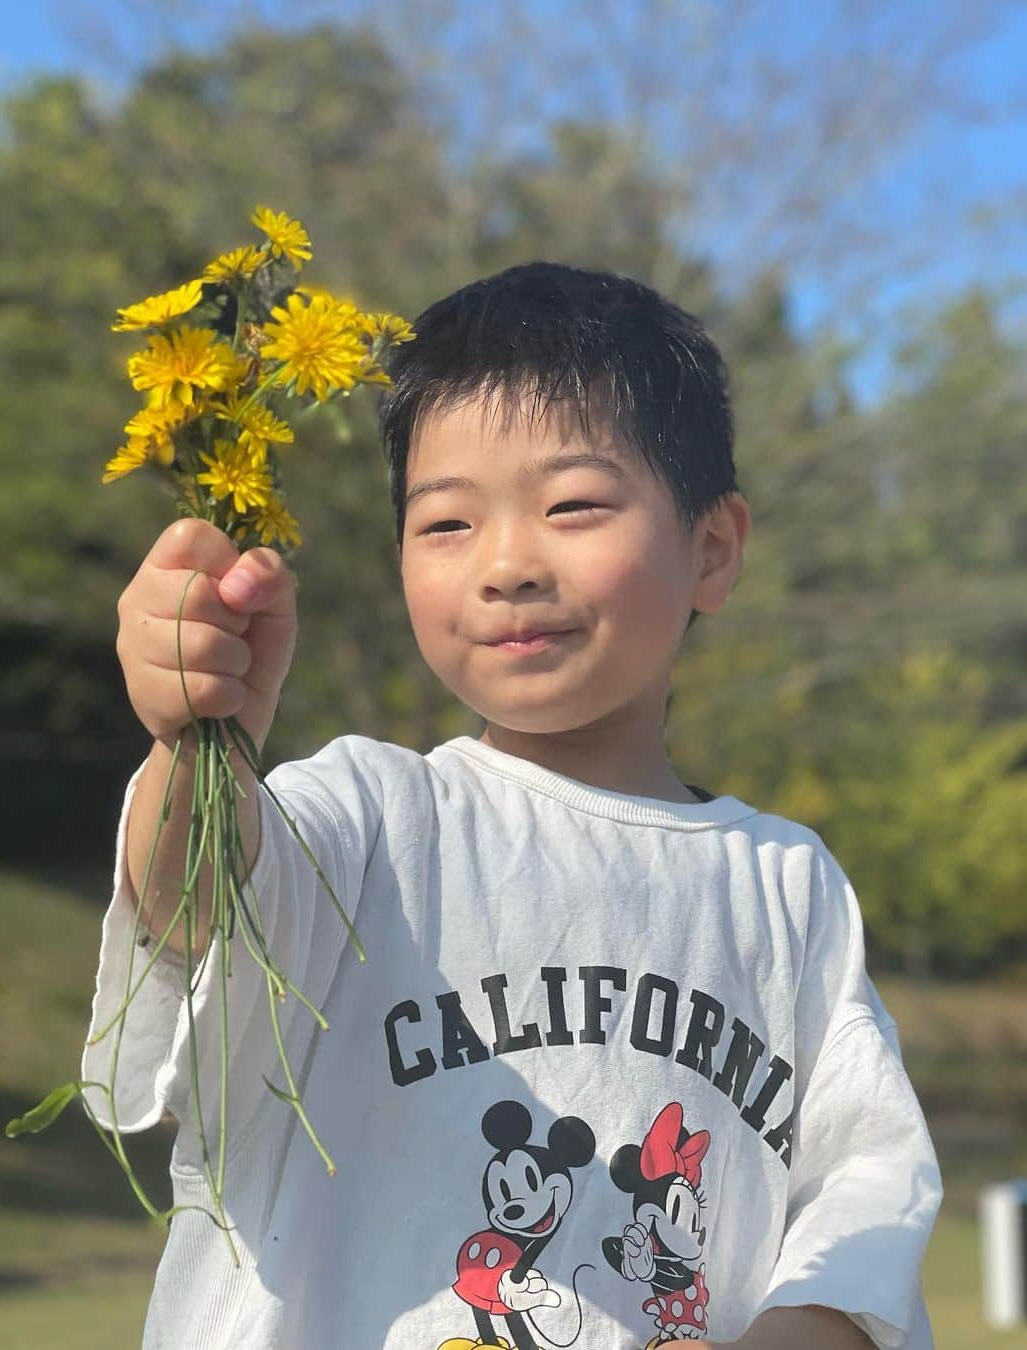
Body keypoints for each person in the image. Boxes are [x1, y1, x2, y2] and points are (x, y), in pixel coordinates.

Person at [81, 261, 942, 1350]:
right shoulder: (369, 814)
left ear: (712, 550)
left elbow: (866, 1190)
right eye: (445, 525)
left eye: (573, 505)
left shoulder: (785, 887)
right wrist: (196, 740)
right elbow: (195, 897)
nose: (506, 565)